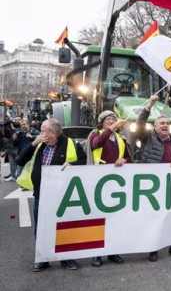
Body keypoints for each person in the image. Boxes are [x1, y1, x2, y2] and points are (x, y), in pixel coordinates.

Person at [16, 118, 87, 272]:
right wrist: (33, 144)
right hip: (41, 194)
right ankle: (42, 258)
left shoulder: (71, 145)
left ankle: (66, 257)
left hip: (62, 196)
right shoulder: (38, 145)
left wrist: (72, 165)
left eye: (43, 131)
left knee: (64, 226)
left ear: (52, 133)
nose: (40, 133)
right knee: (41, 227)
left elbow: (84, 162)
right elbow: (20, 160)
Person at [137, 95, 171, 262]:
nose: (165, 126)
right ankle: (153, 248)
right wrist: (149, 105)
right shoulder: (147, 137)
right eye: (162, 123)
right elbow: (140, 124)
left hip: (170, 185)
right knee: (154, 217)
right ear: (155, 127)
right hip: (153, 186)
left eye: (167, 123)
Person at [87, 110, 130, 267]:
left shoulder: (120, 139)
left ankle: (113, 251)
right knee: (99, 218)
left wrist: (123, 159)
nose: (112, 121)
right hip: (99, 180)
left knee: (115, 218)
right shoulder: (95, 134)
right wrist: (110, 129)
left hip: (115, 182)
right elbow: (96, 144)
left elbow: (129, 158)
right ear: (102, 122)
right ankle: (96, 253)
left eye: (113, 119)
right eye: (108, 120)